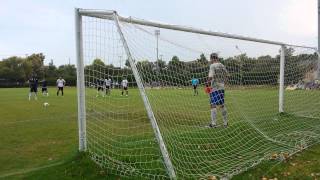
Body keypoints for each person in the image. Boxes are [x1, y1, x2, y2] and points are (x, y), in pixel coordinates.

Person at [207, 53, 228, 128]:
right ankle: (225, 123)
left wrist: (207, 85)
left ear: (212, 58)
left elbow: (210, 77)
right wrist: (224, 83)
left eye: (210, 59)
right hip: (222, 87)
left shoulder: (212, 65)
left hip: (215, 87)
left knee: (213, 104)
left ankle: (213, 123)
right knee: (222, 105)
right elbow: (227, 75)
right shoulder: (222, 65)